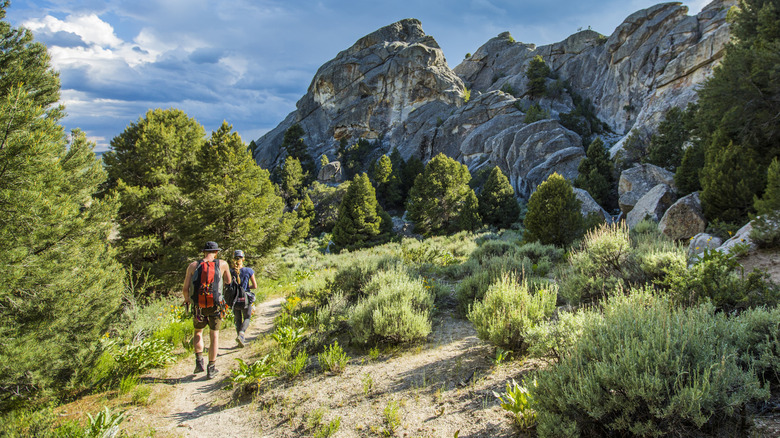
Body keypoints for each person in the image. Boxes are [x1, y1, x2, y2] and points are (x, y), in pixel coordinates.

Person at [182, 241, 231, 379]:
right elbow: (228, 281)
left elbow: (185, 289)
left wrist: (188, 300)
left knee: (198, 332)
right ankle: (211, 367)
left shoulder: (193, 266)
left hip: (198, 306)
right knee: (214, 335)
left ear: (204, 252)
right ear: (216, 252)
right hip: (216, 305)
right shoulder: (222, 264)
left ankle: (199, 361)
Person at [229, 249, 257, 347]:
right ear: (243, 259)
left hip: (235, 299)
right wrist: (246, 288)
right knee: (247, 317)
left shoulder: (230, 271)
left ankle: (239, 338)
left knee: (238, 319)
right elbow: (255, 285)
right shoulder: (248, 271)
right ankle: (241, 334)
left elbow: (227, 284)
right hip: (245, 298)